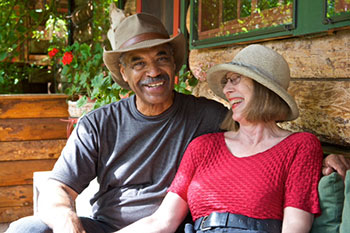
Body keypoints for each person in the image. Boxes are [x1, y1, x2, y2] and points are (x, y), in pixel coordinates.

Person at [6, 13, 349, 233]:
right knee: (27, 231)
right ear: (123, 74)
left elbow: (262, 143)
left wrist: (321, 160)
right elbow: (56, 188)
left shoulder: (208, 117)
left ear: (174, 65)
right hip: (106, 226)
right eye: (138, 63)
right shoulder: (99, 125)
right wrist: (70, 226)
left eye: (161, 58)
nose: (153, 71)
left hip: (170, 228)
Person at [113, 44, 324, 233]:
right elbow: (162, 222)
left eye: (235, 80)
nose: (226, 89)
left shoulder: (300, 146)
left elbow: (295, 228)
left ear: (263, 88)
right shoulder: (203, 147)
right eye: (226, 82)